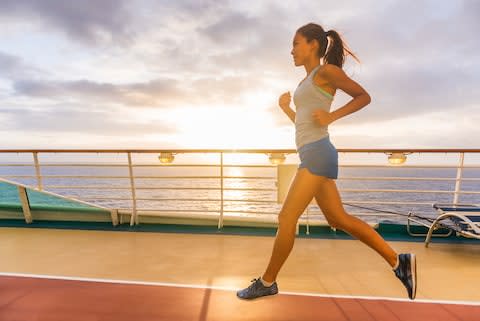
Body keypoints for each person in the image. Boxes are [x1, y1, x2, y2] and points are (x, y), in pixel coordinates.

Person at [236, 23, 417, 300]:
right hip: (312, 152)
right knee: (338, 218)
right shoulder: (304, 82)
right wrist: (287, 109)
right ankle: (398, 261)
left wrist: (332, 117)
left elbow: (364, 97)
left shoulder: (327, 72)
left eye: (296, 43)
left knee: (286, 217)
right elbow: (304, 123)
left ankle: (267, 282)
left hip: (318, 153)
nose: (291, 50)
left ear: (313, 45)